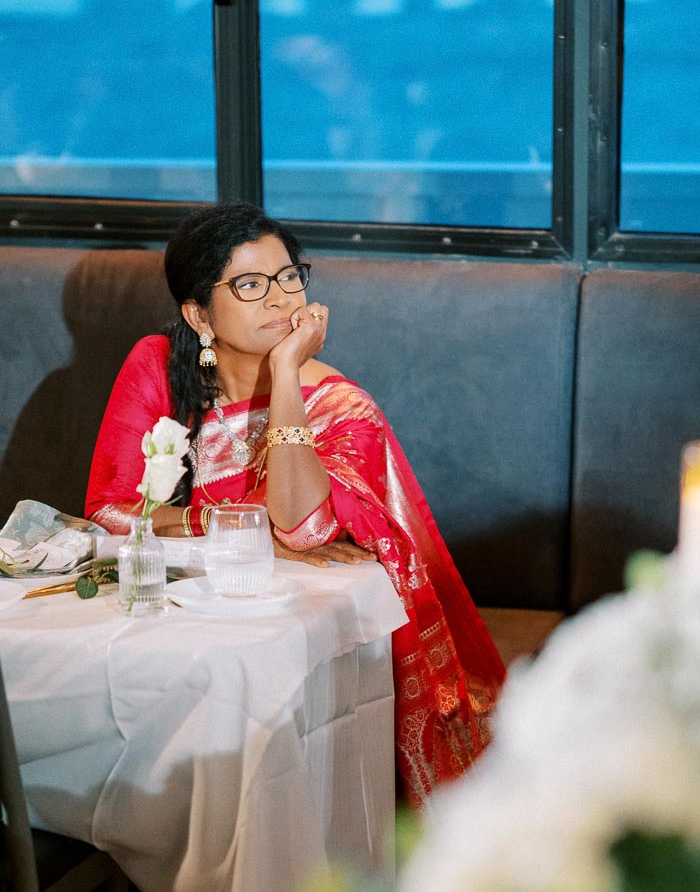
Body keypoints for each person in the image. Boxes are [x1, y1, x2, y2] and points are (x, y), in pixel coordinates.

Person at [86, 202, 505, 806]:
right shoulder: (157, 366)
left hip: (303, 644)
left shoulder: (341, 407)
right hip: (182, 626)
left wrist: (286, 372)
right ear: (199, 314)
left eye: (288, 277)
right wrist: (235, 525)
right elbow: (108, 512)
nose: (281, 300)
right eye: (250, 285)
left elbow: (302, 527)